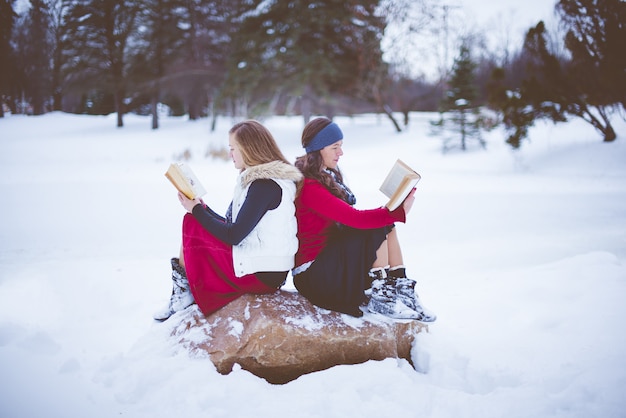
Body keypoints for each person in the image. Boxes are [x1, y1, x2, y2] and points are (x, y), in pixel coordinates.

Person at [154, 120, 303, 321]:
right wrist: (201, 208)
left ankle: (183, 293)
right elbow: (235, 227)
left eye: (233, 149)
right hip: (266, 266)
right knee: (195, 220)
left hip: (263, 272)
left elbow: (234, 235)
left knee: (192, 223)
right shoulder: (260, 181)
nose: (230, 154)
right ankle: (184, 292)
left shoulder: (264, 185)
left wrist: (197, 211)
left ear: (249, 149)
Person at [292, 117, 436, 321]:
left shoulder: (323, 175)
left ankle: (399, 288)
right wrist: (395, 211)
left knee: (385, 225)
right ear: (318, 149)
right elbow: (353, 219)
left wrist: (390, 214)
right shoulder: (309, 185)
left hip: (328, 261)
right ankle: (381, 296)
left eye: (340, 146)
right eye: (335, 147)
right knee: (376, 226)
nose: (340, 153)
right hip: (314, 275)